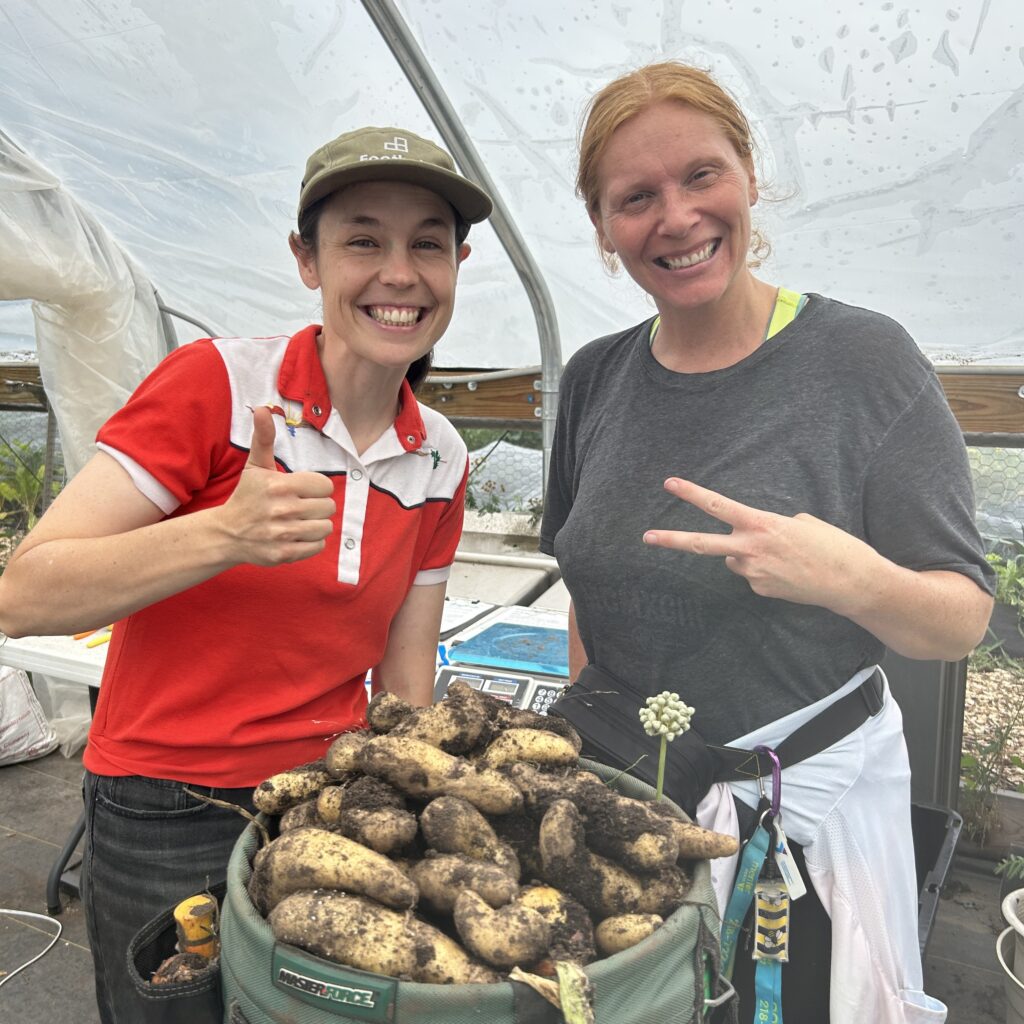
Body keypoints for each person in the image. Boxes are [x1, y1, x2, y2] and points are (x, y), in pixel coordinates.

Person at [0, 125, 491, 1023]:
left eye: (428, 243)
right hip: (166, 805)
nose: (399, 273)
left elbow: (407, 672)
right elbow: (25, 594)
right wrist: (222, 535)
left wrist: (429, 814)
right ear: (307, 260)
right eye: (362, 240)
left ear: (458, 264)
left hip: (330, 805)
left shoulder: (442, 459)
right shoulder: (218, 386)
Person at [540, 62, 994, 1024]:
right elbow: (589, 581)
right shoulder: (593, 380)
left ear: (749, 176)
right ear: (604, 226)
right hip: (628, 809)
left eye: (701, 176)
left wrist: (850, 578)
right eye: (635, 198)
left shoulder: (860, 362)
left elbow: (960, 619)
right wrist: (601, 752)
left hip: (794, 838)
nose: (676, 217)